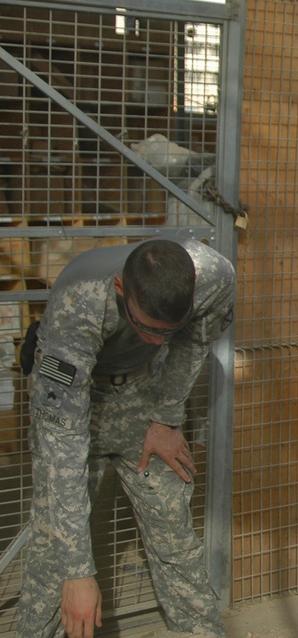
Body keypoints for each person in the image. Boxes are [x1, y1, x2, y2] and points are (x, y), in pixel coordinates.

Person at [16, 235, 235, 638]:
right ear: (120, 288)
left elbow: (193, 343)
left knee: (174, 534)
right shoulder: (78, 303)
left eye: (169, 329)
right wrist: (79, 572)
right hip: (80, 392)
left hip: (144, 393)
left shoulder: (214, 277)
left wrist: (166, 419)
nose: (157, 340)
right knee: (55, 552)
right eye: (148, 327)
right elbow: (62, 443)